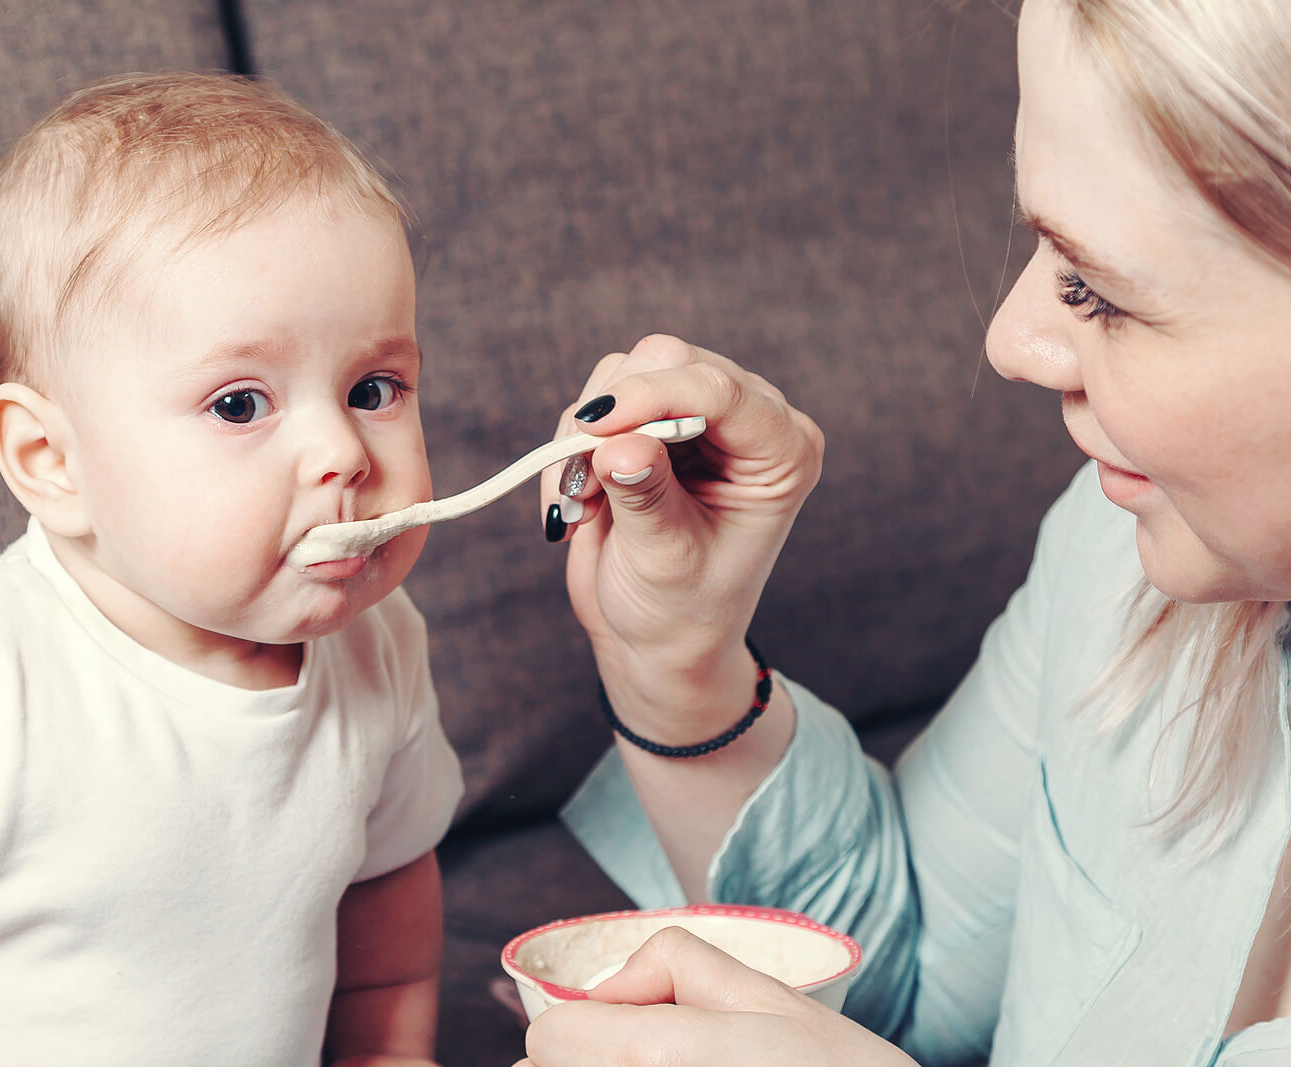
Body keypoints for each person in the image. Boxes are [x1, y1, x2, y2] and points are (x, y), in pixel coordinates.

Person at [522, 0, 1291, 1063]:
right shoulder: (1127, 552)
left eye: (1096, 289)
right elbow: (907, 977)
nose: (1009, 338)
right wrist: (674, 656)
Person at [0, 72, 462, 1067]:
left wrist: (387, 1051)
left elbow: (387, 897)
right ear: (51, 460)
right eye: (241, 404)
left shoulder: (380, 644)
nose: (343, 451)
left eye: (373, 387)